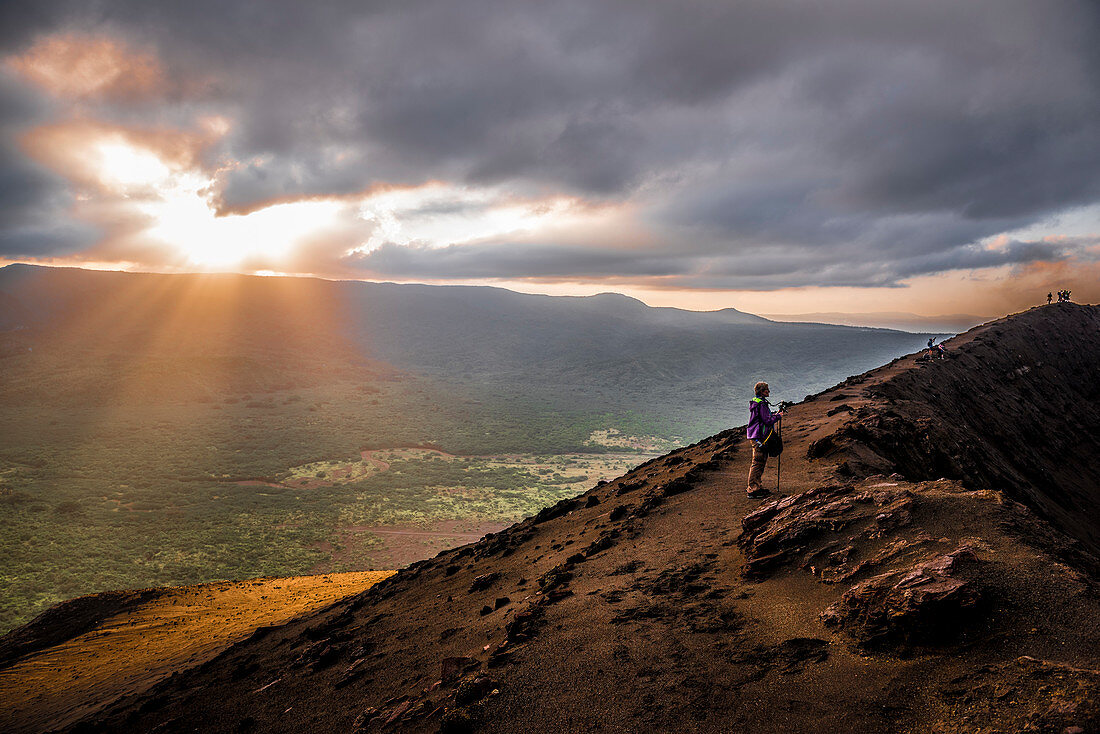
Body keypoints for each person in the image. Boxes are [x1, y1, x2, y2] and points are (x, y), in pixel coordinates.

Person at [746, 381, 784, 498]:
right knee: (758, 462)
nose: (769, 391)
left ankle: (757, 486)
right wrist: (778, 416)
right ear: (762, 391)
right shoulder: (761, 404)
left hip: (756, 435)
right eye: (767, 390)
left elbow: (764, 418)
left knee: (760, 462)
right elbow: (767, 421)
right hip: (759, 437)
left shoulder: (758, 402)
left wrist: (774, 415)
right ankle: (753, 490)